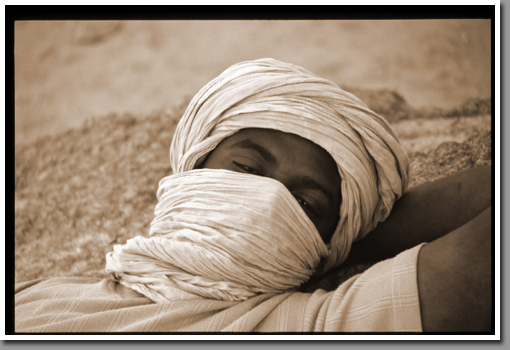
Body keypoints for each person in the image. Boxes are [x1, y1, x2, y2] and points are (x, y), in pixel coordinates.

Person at [14, 58, 492, 333]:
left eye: (304, 206)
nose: (266, 204)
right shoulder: (39, 295)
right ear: (193, 169)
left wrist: (330, 252)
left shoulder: (301, 326)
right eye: (245, 168)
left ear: (322, 244)